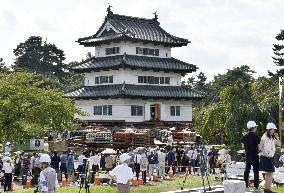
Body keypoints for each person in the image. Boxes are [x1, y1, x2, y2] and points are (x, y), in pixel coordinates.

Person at [259, 123, 280, 193]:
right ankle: (268, 189)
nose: (273, 131)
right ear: (269, 129)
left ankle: (267, 189)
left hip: (270, 157)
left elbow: (279, 144)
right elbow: (260, 146)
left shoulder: (273, 137)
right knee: (270, 172)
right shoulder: (264, 136)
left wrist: (277, 138)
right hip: (265, 157)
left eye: (274, 129)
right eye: (272, 129)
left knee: (270, 173)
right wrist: (265, 153)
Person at [242, 121, 261, 191]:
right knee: (256, 172)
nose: (256, 128)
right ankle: (256, 187)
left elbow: (243, 146)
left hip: (247, 156)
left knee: (247, 171)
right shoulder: (257, 136)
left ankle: (246, 186)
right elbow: (259, 147)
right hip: (255, 156)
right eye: (255, 127)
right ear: (253, 128)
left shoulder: (244, 136)